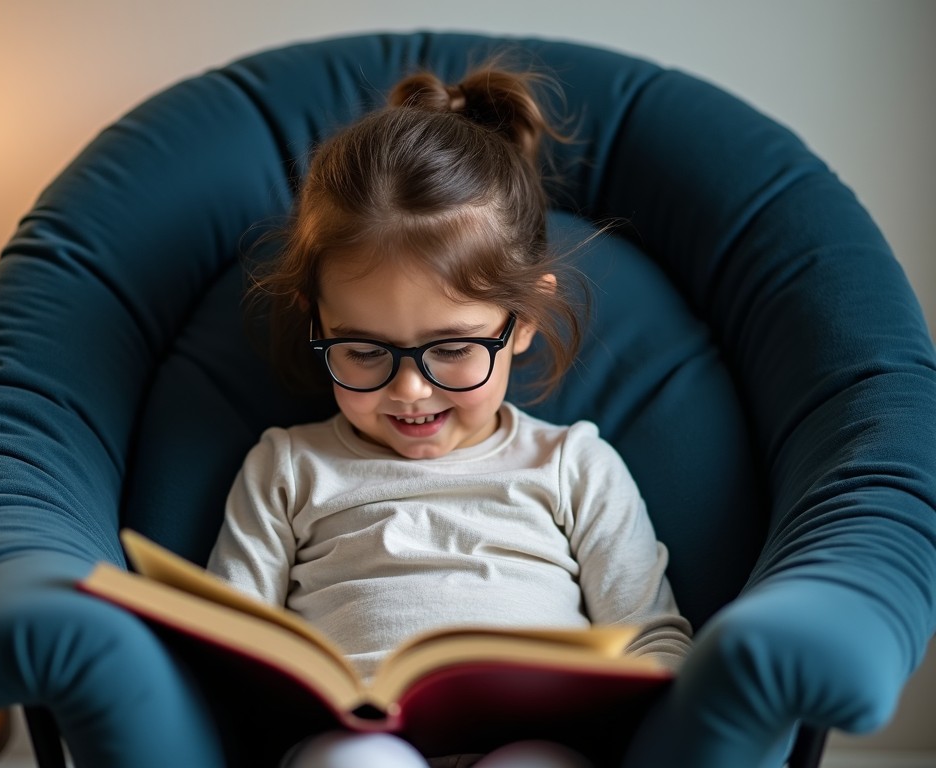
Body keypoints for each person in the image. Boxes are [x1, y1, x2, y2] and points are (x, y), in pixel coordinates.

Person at [207, 62, 692, 768]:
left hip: (534, 743)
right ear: (317, 320)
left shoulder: (573, 466)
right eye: (364, 350)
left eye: (454, 348)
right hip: (356, 744)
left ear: (522, 320)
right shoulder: (287, 466)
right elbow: (231, 640)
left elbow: (652, 638)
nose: (410, 391)